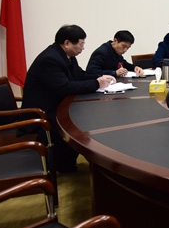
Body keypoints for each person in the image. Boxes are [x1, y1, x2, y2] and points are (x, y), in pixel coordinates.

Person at [20, 25, 115, 173]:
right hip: (43, 110)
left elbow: (80, 76)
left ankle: (73, 162)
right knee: (75, 123)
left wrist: (100, 77)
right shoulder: (50, 59)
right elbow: (64, 87)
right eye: (81, 44)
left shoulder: (67, 56)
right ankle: (64, 165)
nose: (83, 48)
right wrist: (97, 84)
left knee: (84, 116)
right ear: (67, 43)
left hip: (57, 103)